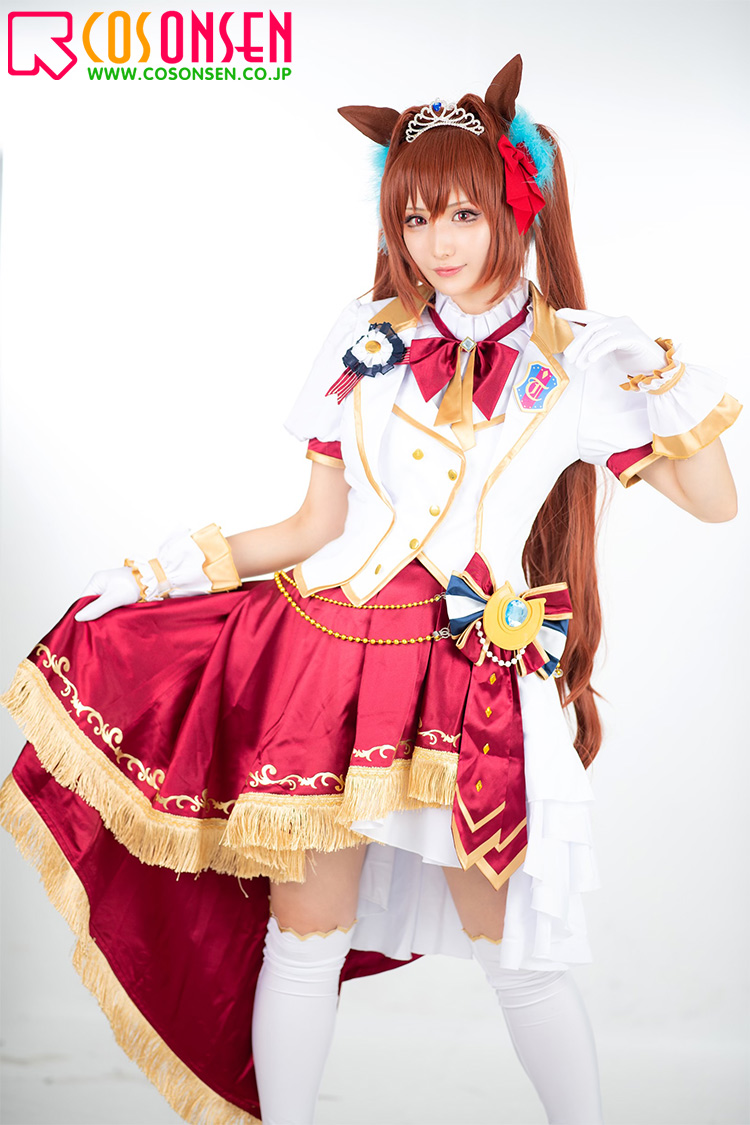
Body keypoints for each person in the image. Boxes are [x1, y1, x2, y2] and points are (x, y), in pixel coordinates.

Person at [0, 54, 740, 1125]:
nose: (439, 243)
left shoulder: (577, 359)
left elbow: (715, 503)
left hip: (466, 678)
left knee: (521, 958)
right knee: (304, 939)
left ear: (515, 205)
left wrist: (658, 374)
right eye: (417, 218)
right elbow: (312, 525)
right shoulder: (365, 333)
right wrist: (158, 570)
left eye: (462, 214)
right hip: (324, 663)